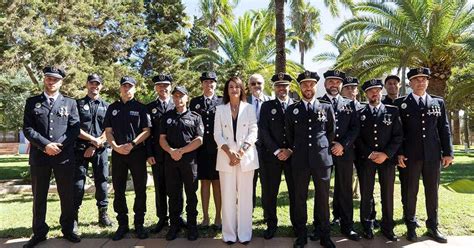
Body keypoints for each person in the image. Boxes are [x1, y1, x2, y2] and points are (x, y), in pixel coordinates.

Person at [23, 66, 81, 247]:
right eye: (49, 78)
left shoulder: (70, 103)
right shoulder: (32, 102)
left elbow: (75, 128)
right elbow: (28, 128)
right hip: (40, 157)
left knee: (67, 195)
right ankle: (39, 232)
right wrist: (45, 145)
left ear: (61, 82)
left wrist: (58, 146)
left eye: (55, 79)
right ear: (44, 80)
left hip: (64, 157)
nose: (51, 82)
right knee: (39, 196)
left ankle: (69, 229)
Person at [394, 67, 453, 243]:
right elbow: (397, 132)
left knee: (432, 192)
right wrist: (399, 153)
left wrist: (448, 152)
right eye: (416, 80)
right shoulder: (400, 103)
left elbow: (444, 128)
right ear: (410, 83)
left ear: (427, 82)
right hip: (409, 156)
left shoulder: (438, 102)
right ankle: (411, 226)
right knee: (410, 191)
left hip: (433, 156)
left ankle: (433, 227)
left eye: (423, 79)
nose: (420, 82)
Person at [286, 70, 336, 248]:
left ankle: (324, 234)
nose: (308, 87)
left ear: (316, 86)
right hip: (300, 160)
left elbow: (331, 132)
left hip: (321, 160)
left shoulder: (326, 107)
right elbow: (289, 134)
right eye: (304, 84)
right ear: (300, 87)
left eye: (311, 84)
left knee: (322, 198)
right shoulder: (292, 109)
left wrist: (320, 148)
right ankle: (301, 234)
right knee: (300, 197)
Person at [104, 76, 151, 241]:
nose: (127, 89)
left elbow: (147, 131)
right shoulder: (112, 108)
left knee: (140, 189)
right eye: (124, 86)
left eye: (130, 86)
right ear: (120, 88)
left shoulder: (141, 108)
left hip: (137, 153)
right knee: (119, 189)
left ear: (134, 89)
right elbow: (108, 132)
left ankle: (139, 224)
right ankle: (122, 225)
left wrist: (132, 144)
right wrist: (115, 146)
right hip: (118, 154)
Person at [355, 79, 403, 241]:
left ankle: (387, 227)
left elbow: (398, 136)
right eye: (370, 91)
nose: (374, 93)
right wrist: (369, 153)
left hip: (387, 161)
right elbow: (357, 138)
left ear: (381, 91)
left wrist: (386, 154)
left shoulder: (392, 111)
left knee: (387, 194)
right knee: (366, 194)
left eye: (377, 90)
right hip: (366, 160)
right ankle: (367, 225)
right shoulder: (360, 113)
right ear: (366, 94)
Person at [214, 76, 259, 244]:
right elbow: (217, 134)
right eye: (231, 87)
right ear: (227, 90)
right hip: (226, 158)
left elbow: (254, 131)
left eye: (237, 87)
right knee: (228, 197)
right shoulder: (220, 110)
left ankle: (245, 234)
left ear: (242, 90)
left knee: (246, 197)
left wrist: (240, 152)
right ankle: (230, 235)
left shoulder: (249, 108)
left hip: (245, 158)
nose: (234, 89)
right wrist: (230, 153)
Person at [318, 70, 361, 241]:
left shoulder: (350, 104)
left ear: (341, 85)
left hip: (344, 152)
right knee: (322, 191)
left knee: (345, 189)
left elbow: (355, 128)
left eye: (337, 82)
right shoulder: (318, 103)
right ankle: (320, 226)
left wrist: (342, 144)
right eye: (330, 82)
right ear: (325, 84)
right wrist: (329, 145)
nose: (334, 85)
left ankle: (347, 225)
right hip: (323, 153)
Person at [160, 86, 204, 241]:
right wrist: (172, 151)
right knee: (173, 194)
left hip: (189, 161)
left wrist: (182, 151)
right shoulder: (167, 116)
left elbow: (199, 140)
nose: (178, 99)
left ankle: (192, 226)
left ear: (187, 98)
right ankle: (174, 226)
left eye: (181, 96)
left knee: (191, 194)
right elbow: (162, 138)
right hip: (171, 161)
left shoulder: (195, 117)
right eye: (175, 96)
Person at [258, 72, 296, 239]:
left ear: (290, 87)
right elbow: (263, 131)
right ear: (274, 88)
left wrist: (289, 150)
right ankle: (271, 224)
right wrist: (276, 151)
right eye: (278, 85)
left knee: (295, 192)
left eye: (285, 85)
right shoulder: (267, 106)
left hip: (293, 157)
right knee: (270, 192)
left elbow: (300, 133)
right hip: (271, 156)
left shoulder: (297, 105)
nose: (282, 88)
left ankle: (297, 224)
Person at [146, 74, 185, 234]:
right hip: (158, 154)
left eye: (166, 85)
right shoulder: (149, 107)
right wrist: (149, 153)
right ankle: (162, 218)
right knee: (160, 187)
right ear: (155, 88)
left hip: (175, 154)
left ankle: (178, 216)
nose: (163, 88)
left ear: (171, 86)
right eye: (159, 85)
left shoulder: (177, 104)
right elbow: (147, 133)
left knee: (177, 187)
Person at [73, 73, 112, 229]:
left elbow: (109, 129)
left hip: (100, 150)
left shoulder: (107, 106)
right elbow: (74, 128)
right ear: (87, 85)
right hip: (80, 150)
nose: (94, 86)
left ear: (101, 86)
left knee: (102, 181)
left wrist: (95, 144)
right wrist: (91, 141)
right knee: (77, 183)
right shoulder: (77, 104)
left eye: (97, 84)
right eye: (91, 83)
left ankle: (103, 215)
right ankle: (73, 216)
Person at [189, 72, 223, 229]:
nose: (209, 84)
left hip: (218, 149)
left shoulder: (222, 101)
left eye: (212, 82)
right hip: (201, 150)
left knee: (217, 183)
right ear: (202, 84)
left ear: (216, 84)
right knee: (204, 183)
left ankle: (218, 217)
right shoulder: (194, 102)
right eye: (206, 82)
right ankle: (205, 217)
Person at [246, 73, 271, 209]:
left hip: (267, 150)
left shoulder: (270, 102)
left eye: (259, 83)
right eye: (253, 83)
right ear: (249, 86)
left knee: (267, 184)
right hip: (249, 150)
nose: (256, 86)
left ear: (263, 84)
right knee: (249, 183)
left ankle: (267, 215)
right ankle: (248, 214)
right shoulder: (243, 103)